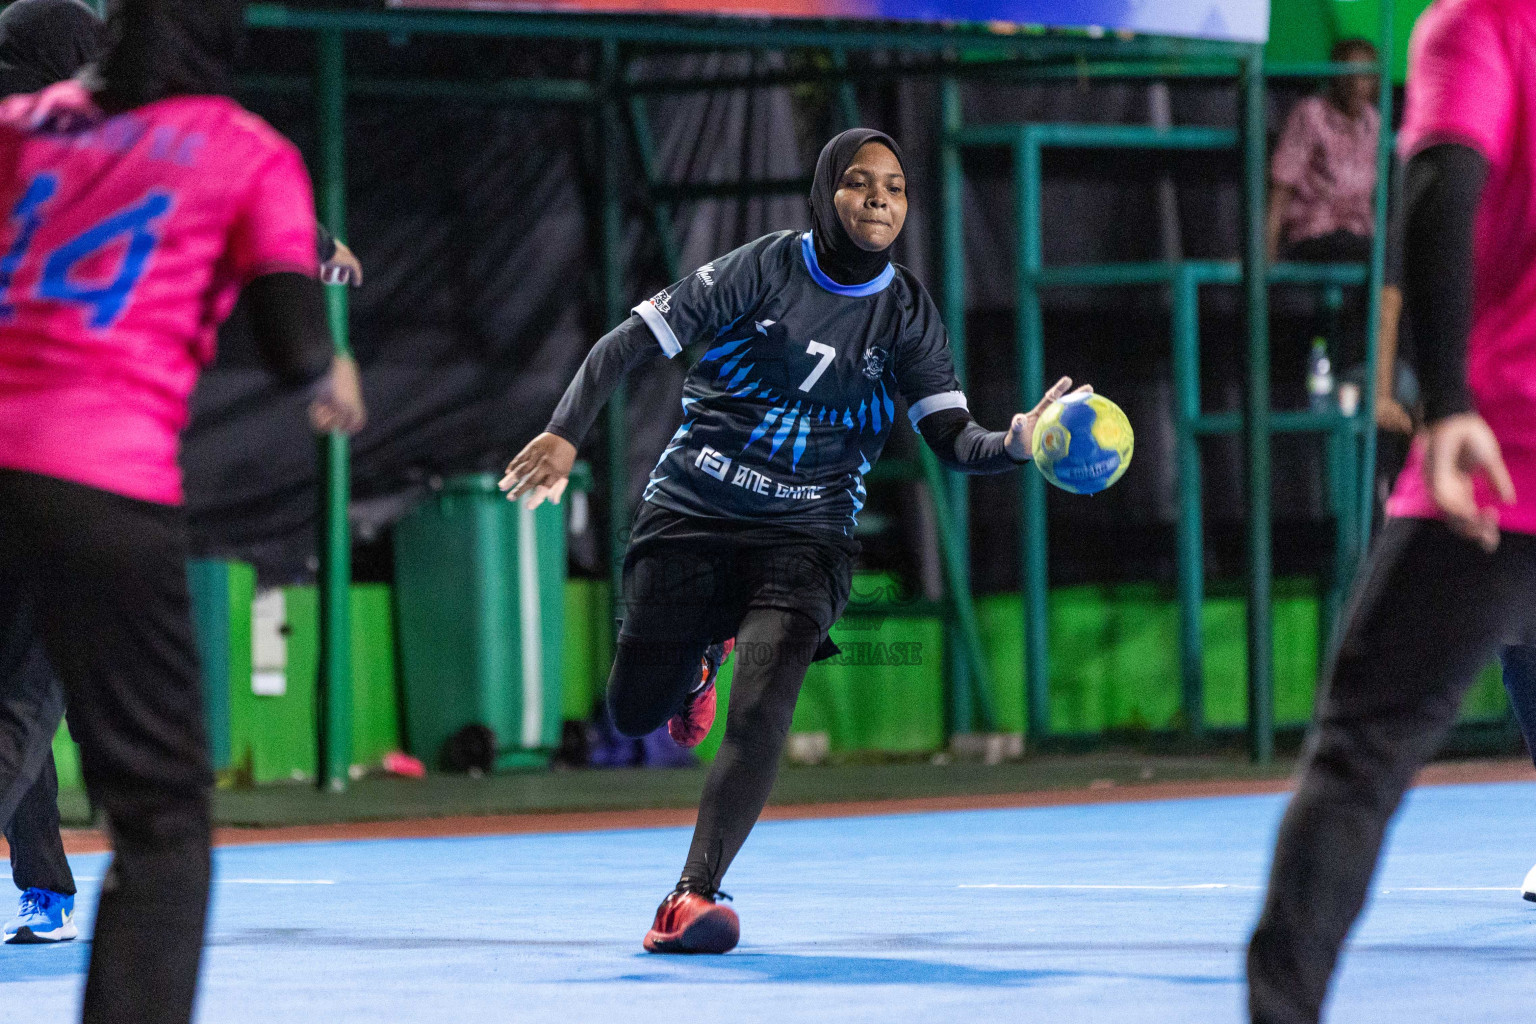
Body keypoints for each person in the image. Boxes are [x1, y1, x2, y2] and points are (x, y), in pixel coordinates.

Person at [502, 127, 1087, 954]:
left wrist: (1015, 443)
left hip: (807, 533)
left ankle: (692, 896)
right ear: (825, 193)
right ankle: (700, 653)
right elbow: (626, 342)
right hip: (694, 509)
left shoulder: (908, 313)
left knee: (766, 703)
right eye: (859, 182)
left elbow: (952, 439)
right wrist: (565, 434)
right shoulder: (762, 267)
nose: (880, 197)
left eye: (895, 185)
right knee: (634, 711)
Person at [0, 2, 365, 1022]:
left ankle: (41, 885)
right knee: (158, 814)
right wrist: (330, 369)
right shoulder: (241, 146)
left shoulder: (22, 128)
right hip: (96, 476)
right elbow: (295, 340)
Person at [1247, 2, 1536, 1022]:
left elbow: (1436, 190)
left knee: (1358, 757)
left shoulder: (1481, 24)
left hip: (1502, 456)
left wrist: (1446, 400)